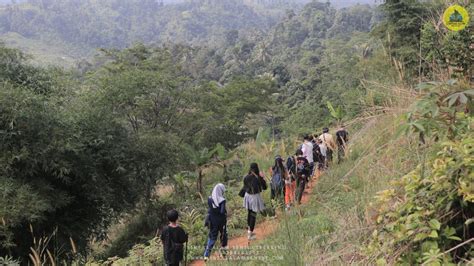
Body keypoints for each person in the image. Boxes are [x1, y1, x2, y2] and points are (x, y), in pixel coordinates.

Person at [242, 163, 267, 240]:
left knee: (249, 213)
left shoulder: (246, 177)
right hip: (254, 197)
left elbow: (245, 186)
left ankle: (249, 231)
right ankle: (250, 234)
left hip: (247, 196)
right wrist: (263, 178)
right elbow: (265, 187)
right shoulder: (258, 177)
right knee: (253, 214)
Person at [203, 183, 228, 260]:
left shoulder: (210, 198)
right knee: (223, 236)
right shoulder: (222, 200)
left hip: (213, 222)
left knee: (212, 237)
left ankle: (206, 255)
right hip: (221, 222)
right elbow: (222, 212)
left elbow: (211, 209)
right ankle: (223, 254)